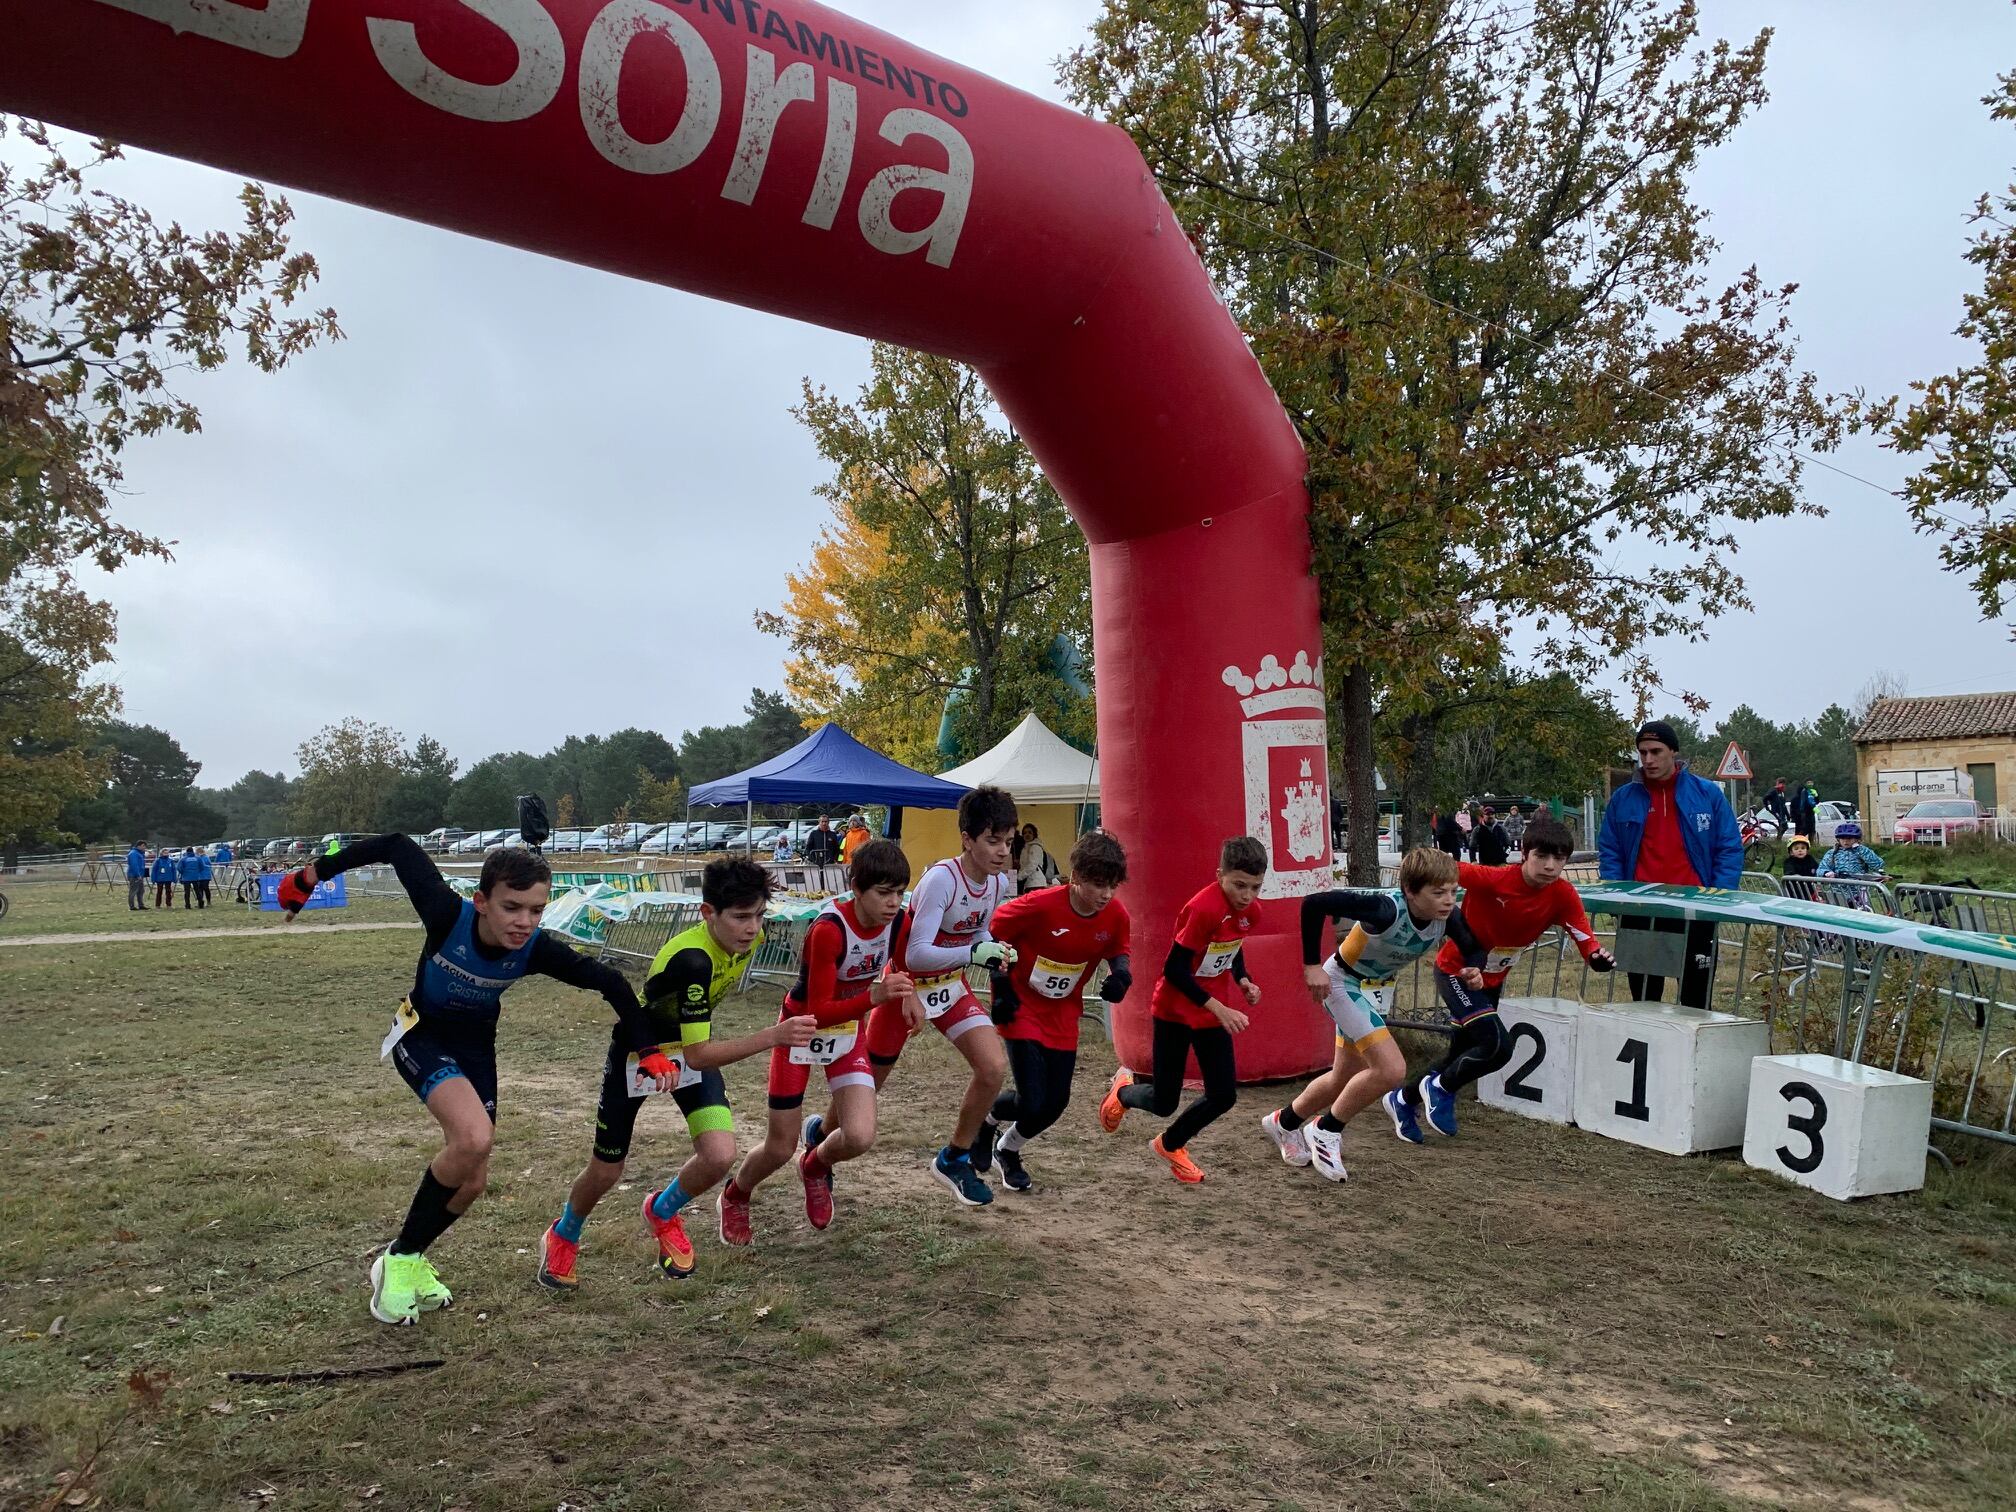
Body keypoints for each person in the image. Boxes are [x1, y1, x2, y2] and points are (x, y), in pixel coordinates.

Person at [275, 835, 666, 1327]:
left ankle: (408, 1256)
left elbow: (609, 981)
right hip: (421, 1036)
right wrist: (313, 875)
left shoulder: (535, 948)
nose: (524, 922)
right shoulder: (446, 914)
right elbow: (397, 845)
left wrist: (649, 1049)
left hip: (476, 1050)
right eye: (511, 908)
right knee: (473, 1137)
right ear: (481, 902)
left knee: (473, 1180)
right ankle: (394, 1266)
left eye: (536, 910)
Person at [538, 857, 814, 1290]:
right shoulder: (692, 960)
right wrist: (772, 1035)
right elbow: (702, 1054)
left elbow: (695, 1052)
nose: (752, 928)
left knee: (719, 1154)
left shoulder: (749, 939)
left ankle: (662, 1211)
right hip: (639, 1054)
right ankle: (565, 1232)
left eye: (759, 916)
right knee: (607, 1170)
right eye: (741, 917)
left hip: (686, 1054)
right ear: (708, 913)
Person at [717, 840, 916, 1245]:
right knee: (778, 1146)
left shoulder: (900, 919)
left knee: (860, 1136)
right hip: (800, 1030)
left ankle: (814, 1164)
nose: (893, 902)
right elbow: (818, 1011)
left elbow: (900, 960)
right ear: (857, 888)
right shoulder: (828, 930)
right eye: (883, 893)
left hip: (847, 1032)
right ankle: (736, 1195)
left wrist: (908, 992)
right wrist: (874, 998)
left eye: (899, 892)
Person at [1386, 816, 1614, 1144]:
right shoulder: (1492, 878)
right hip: (1455, 972)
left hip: (1491, 981)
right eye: (1542, 857)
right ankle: (1440, 1088)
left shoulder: (1563, 895)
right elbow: (1433, 870)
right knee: (1498, 1047)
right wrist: (1411, 901)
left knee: (1458, 1057)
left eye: (1559, 859)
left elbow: (1585, 938)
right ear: (1524, 852)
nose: (1550, 866)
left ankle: (1403, 1100)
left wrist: (1597, 957)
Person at [1260, 848, 1483, 1182]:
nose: (1448, 901)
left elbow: (1473, 944)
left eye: (1453, 891)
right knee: (1391, 1070)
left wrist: (1473, 968)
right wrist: (1310, 966)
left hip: (1374, 989)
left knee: (1343, 1078)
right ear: (1410, 891)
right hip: (1341, 983)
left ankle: (1284, 1122)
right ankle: (1327, 1130)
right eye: (1438, 893)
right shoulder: (1385, 909)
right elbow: (1315, 903)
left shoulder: (1446, 916)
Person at [867, 784, 1020, 1207]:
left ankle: (953, 1157)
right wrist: (974, 951)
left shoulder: (995, 882)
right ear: (966, 840)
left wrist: (994, 949)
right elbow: (915, 954)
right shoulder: (941, 880)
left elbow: (978, 931)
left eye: (1008, 841)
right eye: (992, 841)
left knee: (992, 1068)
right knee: (864, 1094)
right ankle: (820, 1141)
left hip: (950, 986)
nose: (1002, 851)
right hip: (905, 988)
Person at [1099, 835, 1265, 1183]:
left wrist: (1244, 979)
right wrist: (1220, 1007)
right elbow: (1175, 970)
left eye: (1255, 887)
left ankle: (1171, 1144)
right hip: (1175, 1009)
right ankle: (1123, 1091)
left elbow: (1231, 947)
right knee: (1164, 1101)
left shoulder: (1252, 911)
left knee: (1223, 1095)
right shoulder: (1203, 908)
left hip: (1210, 1011)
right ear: (1220, 874)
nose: (1247, 895)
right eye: (1239, 885)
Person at [979, 830, 1132, 1191]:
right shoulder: (1039, 905)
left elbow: (1117, 947)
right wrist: (1001, 988)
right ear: (1075, 877)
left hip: (1063, 1013)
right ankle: (984, 1123)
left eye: (1112, 885)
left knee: (1055, 1104)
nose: (1106, 895)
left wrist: (1121, 973)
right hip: (1022, 1006)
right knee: (1033, 1100)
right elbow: (992, 934)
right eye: (1097, 885)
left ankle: (1007, 1147)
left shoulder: (1115, 913)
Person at [1596, 719, 1742, 1009]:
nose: (1648, 759)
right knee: (1645, 1001)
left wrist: (1719, 898)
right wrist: (1617, 900)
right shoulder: (1622, 799)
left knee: (1695, 1002)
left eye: (1656, 751)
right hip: (1640, 910)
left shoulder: (1707, 794)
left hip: (1696, 911)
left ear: (1673, 752)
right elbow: (1610, 851)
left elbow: (1728, 847)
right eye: (1643, 752)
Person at [1817, 823, 1888, 881]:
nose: (1845, 841)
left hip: (1859, 890)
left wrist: (1860, 849)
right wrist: (1826, 872)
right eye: (1842, 838)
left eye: (1849, 838)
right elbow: (1821, 869)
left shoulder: (1862, 851)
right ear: (1838, 839)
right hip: (1838, 889)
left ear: (1856, 839)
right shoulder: (1832, 853)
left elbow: (1878, 864)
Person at [1790, 779, 1819, 844]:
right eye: (1808, 783)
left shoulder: (1811, 792)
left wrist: (1816, 796)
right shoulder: (1801, 794)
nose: (1810, 784)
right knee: (1803, 831)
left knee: (1811, 830)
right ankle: (1797, 842)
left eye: (1811, 782)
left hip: (1810, 814)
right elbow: (1800, 806)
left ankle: (1810, 844)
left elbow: (1816, 802)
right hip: (1803, 815)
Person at [125, 841, 148, 911]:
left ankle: (141, 905)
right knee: (133, 890)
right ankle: (132, 906)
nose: (145, 848)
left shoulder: (140, 854)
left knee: (141, 890)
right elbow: (134, 865)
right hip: (134, 875)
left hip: (140, 875)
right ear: (139, 846)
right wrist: (137, 874)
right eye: (143, 846)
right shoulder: (133, 854)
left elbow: (142, 865)